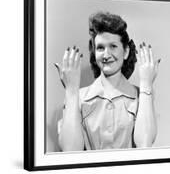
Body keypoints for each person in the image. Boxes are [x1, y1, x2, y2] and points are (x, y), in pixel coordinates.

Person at [55, 12, 160, 151]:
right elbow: (70, 150)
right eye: (100, 48)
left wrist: (147, 84)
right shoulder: (79, 97)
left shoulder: (141, 95)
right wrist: (71, 90)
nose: (106, 55)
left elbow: (145, 144)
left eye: (113, 46)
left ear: (126, 51)